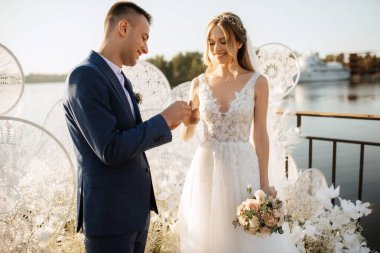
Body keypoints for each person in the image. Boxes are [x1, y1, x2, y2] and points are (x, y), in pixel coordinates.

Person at [62, 2, 192, 252]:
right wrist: (162, 120)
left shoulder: (121, 79)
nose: (146, 48)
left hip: (134, 213)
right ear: (123, 27)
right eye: (143, 37)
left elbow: (129, 137)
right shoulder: (85, 76)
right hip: (109, 217)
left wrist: (168, 125)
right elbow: (110, 148)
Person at [178, 12, 298, 252]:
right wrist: (189, 122)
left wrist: (264, 182)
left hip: (243, 167)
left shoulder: (258, 82)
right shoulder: (198, 82)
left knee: (246, 237)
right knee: (209, 235)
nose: (216, 48)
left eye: (223, 41)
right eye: (211, 42)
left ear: (240, 42)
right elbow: (187, 133)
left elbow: (260, 135)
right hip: (206, 167)